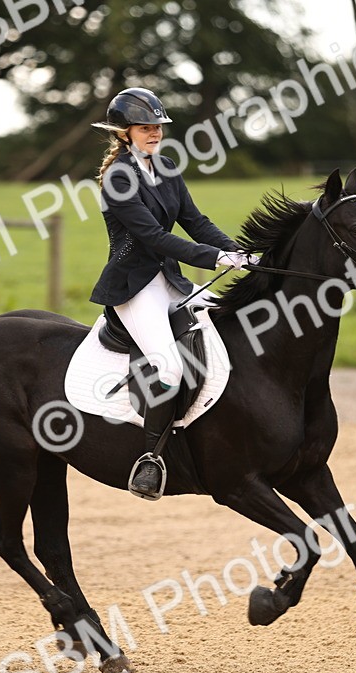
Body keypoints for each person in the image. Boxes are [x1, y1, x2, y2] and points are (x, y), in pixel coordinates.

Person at [89, 87, 254, 500]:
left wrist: (237, 251)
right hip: (134, 286)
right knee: (169, 369)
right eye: (146, 128)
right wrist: (214, 258)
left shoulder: (165, 168)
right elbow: (152, 236)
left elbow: (195, 221)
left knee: (233, 323)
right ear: (124, 133)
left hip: (169, 281)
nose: (155, 134)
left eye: (158, 127)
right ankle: (151, 458)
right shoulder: (118, 177)